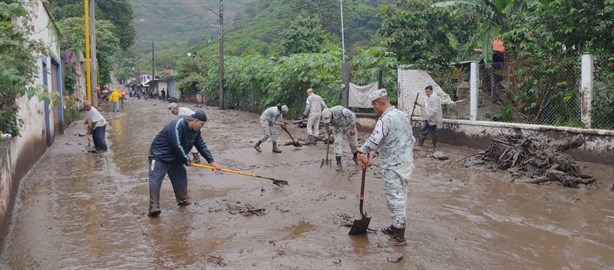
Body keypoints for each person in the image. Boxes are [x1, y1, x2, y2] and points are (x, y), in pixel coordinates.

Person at [357, 89, 415, 246]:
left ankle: (399, 236)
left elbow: (374, 141)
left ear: (376, 104)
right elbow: (411, 138)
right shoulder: (402, 115)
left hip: (392, 165)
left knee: (395, 198)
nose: (374, 109)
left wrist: (361, 151)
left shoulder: (385, 119)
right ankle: (396, 226)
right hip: (406, 163)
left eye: (373, 107)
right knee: (401, 194)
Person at [147, 110, 222, 217]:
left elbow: (201, 145)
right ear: (195, 120)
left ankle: (182, 200)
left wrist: (211, 161)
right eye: (202, 124)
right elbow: (176, 144)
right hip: (159, 156)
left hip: (176, 158)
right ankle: (154, 206)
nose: (202, 127)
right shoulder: (177, 125)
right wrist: (186, 159)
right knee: (155, 180)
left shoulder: (196, 132)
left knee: (181, 177)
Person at [321, 106, 359, 171]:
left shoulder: (340, 110)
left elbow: (352, 115)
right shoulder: (324, 116)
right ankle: (339, 164)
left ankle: (355, 157)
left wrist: (353, 128)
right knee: (337, 144)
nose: (328, 120)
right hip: (338, 128)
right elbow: (326, 124)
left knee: (354, 144)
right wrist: (328, 130)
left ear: (330, 114)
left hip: (349, 126)